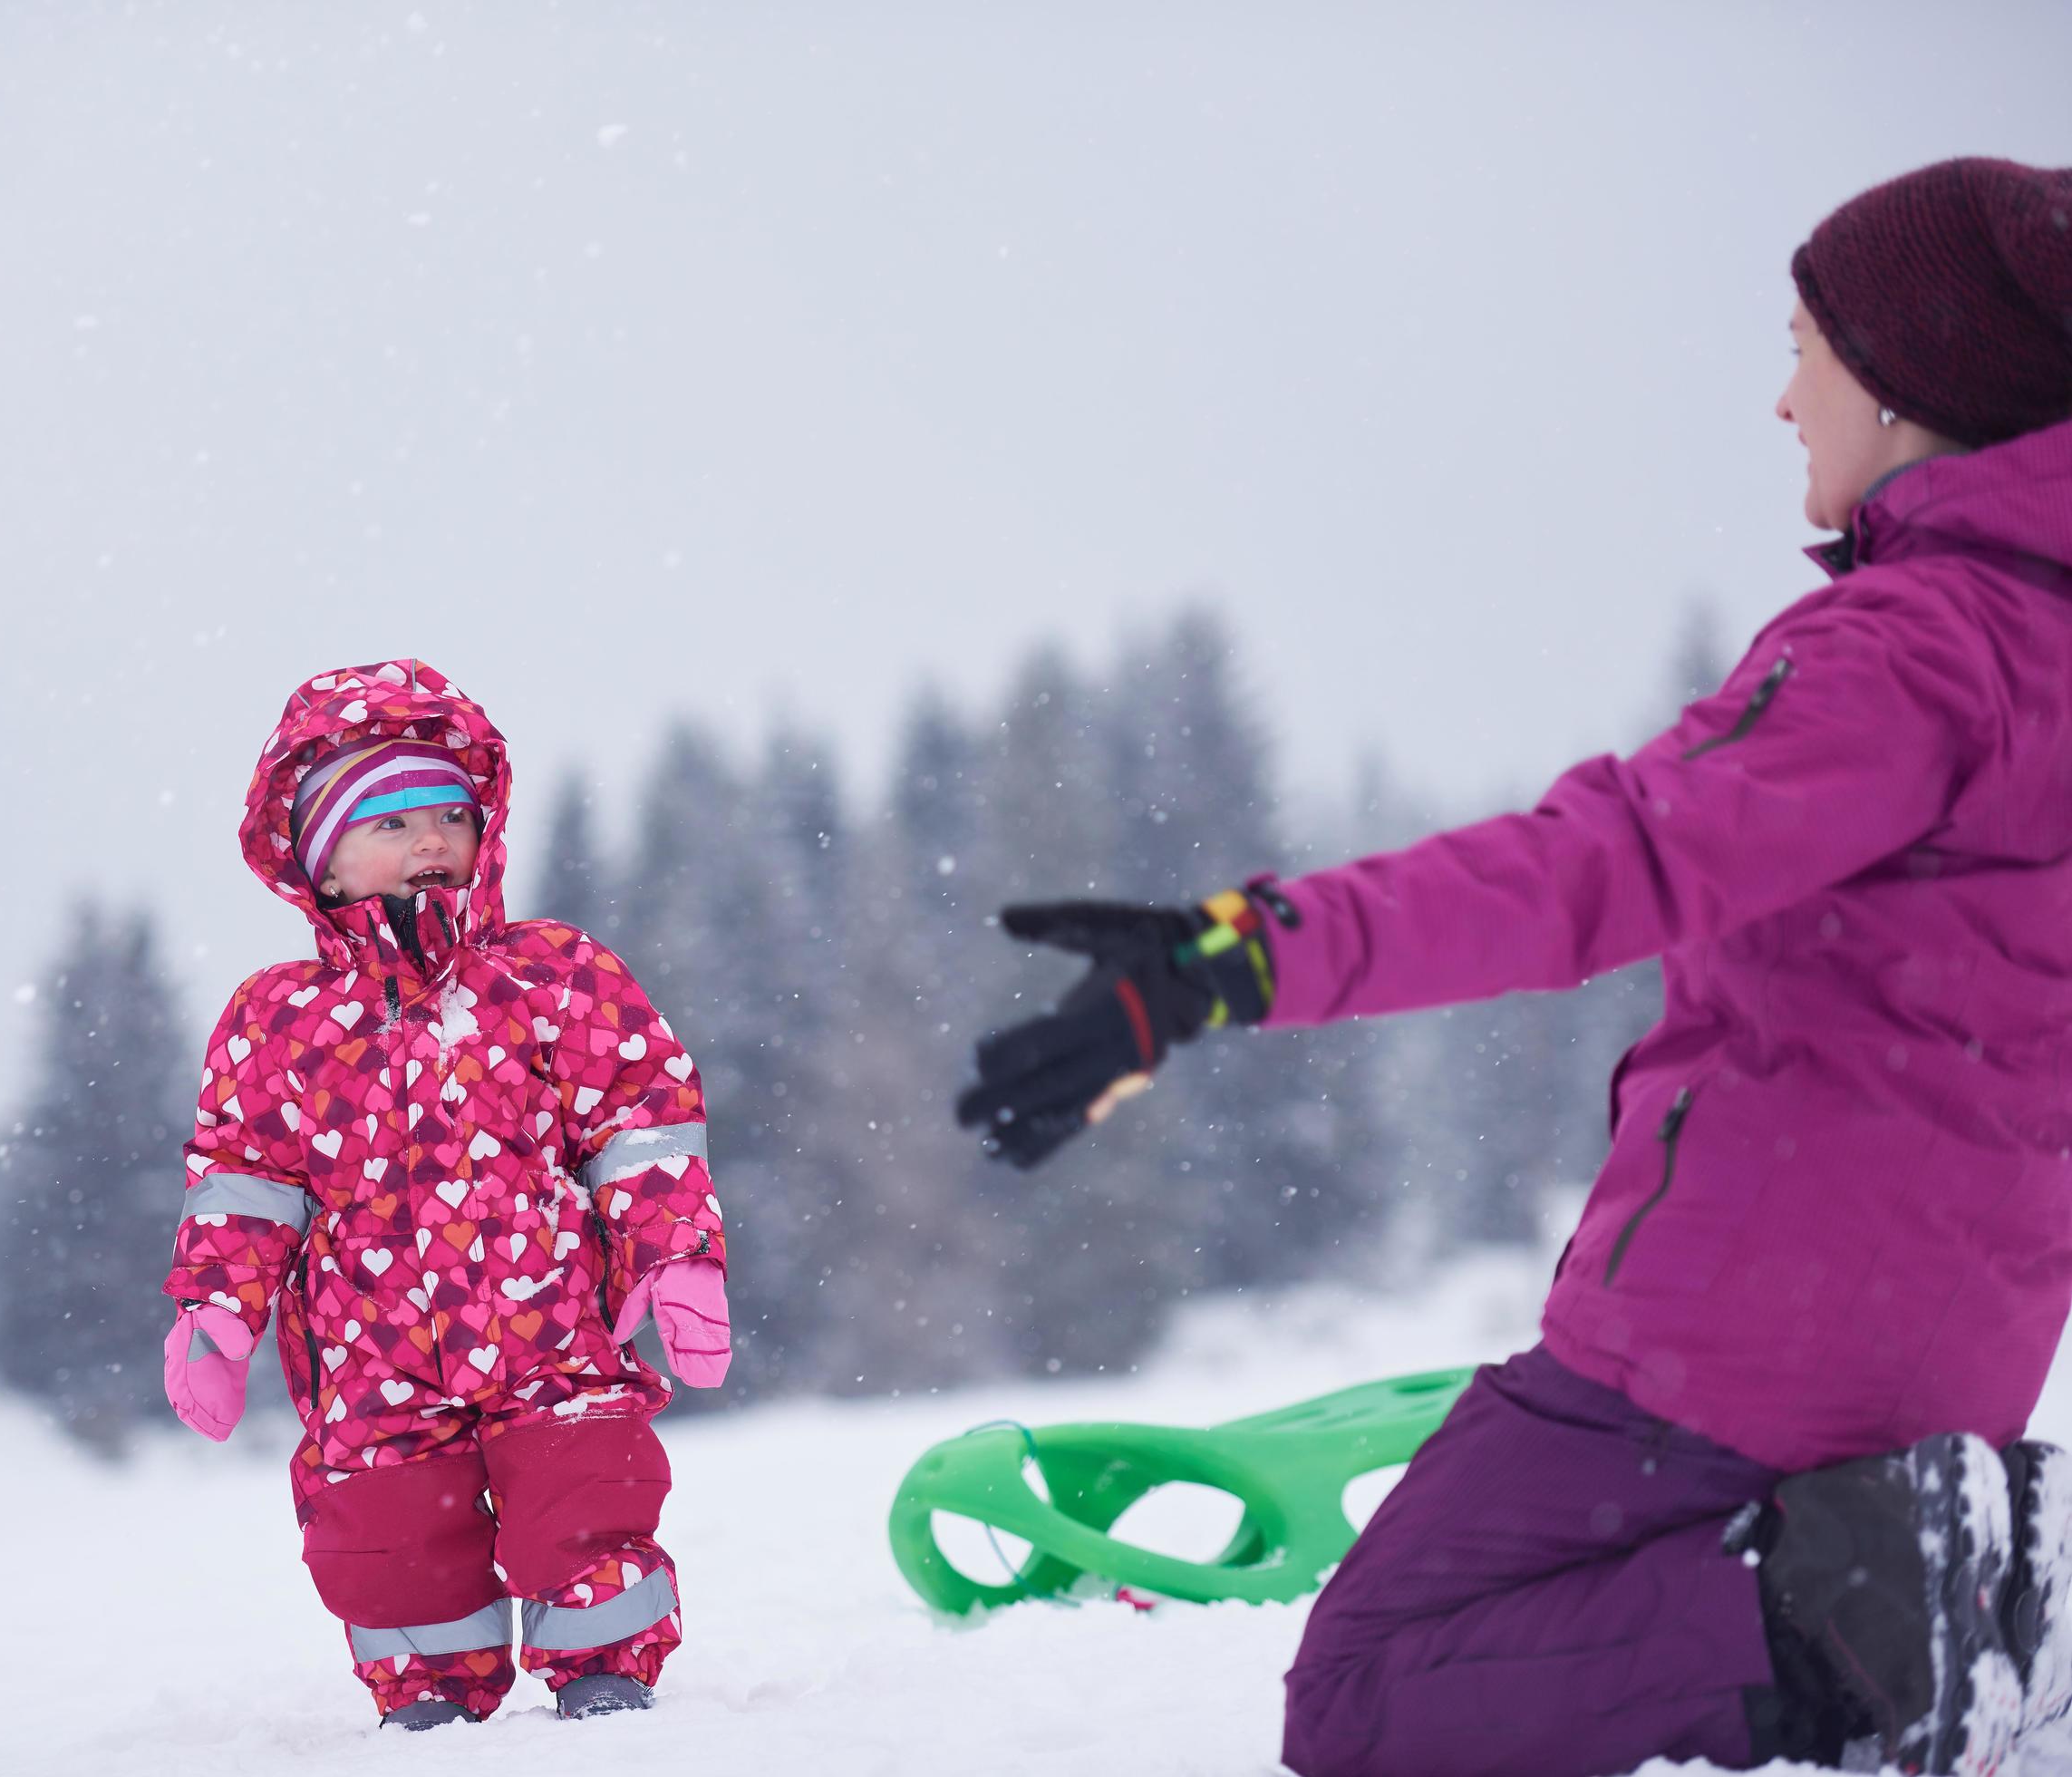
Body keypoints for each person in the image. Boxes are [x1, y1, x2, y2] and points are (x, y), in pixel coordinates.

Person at [956, 157, 2072, 1777]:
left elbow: (1602, 862)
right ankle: (1916, 1598)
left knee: (1372, 1689)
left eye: (1804, 346)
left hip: (1741, 1331)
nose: (1782, 400)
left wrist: (1236, 957)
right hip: (1957, 1347)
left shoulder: (1909, 650)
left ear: (1911, 379)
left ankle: (1922, 1600)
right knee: (1614, 1641)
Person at [160, 659, 731, 1729]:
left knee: (586, 1492)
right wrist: (215, 1312)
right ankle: (427, 1689)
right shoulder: (275, 1017)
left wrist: (677, 1251)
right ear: (320, 866)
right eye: (390, 822)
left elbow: (641, 1122)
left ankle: (604, 1665)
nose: (430, 840)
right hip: (369, 1345)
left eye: (447, 814)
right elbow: (245, 1182)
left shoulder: (550, 974)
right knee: (380, 1529)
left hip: (547, 1321)